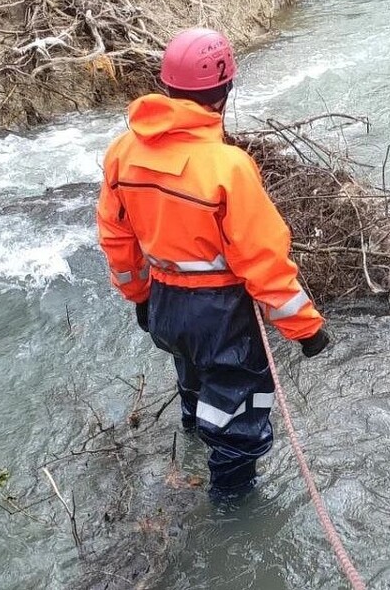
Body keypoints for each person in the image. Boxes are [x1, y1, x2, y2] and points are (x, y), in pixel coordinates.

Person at [96, 27, 332, 501]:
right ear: (223, 92)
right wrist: (306, 329)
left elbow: (116, 239)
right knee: (238, 418)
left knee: (193, 381)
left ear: (167, 87)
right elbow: (263, 262)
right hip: (222, 314)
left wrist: (141, 298)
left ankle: (189, 455)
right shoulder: (228, 166)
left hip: (165, 305)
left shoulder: (122, 153)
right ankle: (231, 506)